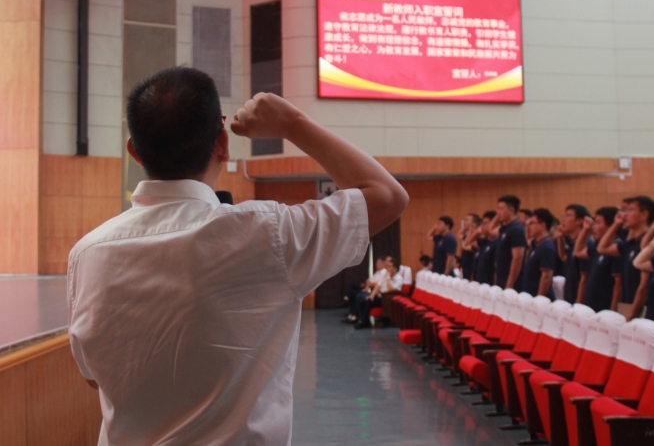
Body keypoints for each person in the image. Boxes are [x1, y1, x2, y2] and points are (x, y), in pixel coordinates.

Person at [67, 68, 408, 445]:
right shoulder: (267, 234)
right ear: (223, 145)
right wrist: (293, 124)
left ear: (133, 151)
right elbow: (388, 196)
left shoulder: (87, 254)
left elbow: (92, 376)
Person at [598, 195, 654, 319]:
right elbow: (602, 248)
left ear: (644, 215)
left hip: (643, 309)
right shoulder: (630, 244)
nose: (625, 215)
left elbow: (644, 286)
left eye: (630, 210)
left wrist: (631, 315)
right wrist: (616, 223)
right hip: (627, 304)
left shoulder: (649, 243)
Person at [575, 207, 622, 312]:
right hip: (591, 306)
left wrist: (613, 311)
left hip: (605, 308)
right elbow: (578, 251)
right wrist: (585, 229)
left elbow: (618, 284)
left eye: (597, 223)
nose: (593, 227)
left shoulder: (615, 249)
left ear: (610, 226)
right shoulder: (596, 248)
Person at [354, 257, 403, 329]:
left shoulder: (399, 279)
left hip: (388, 299)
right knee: (366, 300)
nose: (387, 269)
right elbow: (378, 286)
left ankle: (363, 321)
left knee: (369, 303)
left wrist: (388, 278)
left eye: (389, 267)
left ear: (395, 268)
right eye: (387, 267)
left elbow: (390, 289)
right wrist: (372, 296)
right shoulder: (384, 275)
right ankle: (364, 320)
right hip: (380, 297)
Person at [557, 204, 591, 304]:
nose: (563, 219)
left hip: (579, 299)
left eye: (567, 216)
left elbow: (584, 277)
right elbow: (564, 257)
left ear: (579, 221)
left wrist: (578, 304)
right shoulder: (572, 242)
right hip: (569, 295)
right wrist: (560, 237)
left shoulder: (585, 244)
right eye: (563, 216)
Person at [344, 255, 394, 324]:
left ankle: (359, 318)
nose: (377, 264)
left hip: (383, 296)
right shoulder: (380, 273)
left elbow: (379, 285)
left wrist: (370, 290)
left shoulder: (388, 274)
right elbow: (372, 282)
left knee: (360, 296)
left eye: (389, 266)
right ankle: (355, 314)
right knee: (354, 289)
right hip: (376, 293)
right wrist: (369, 289)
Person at [521, 209, 557, 300]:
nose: (529, 226)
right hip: (530, 294)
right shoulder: (537, 244)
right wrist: (527, 225)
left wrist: (539, 299)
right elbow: (528, 239)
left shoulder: (547, 247)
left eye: (532, 223)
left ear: (543, 225)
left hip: (539, 298)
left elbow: (546, 276)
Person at [493, 195, 527, 289]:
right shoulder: (505, 228)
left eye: (501, 209)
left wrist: (510, 284)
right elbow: (490, 230)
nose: (498, 212)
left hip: (513, 283)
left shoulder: (517, 229)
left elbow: (517, 258)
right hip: (502, 278)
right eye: (498, 209)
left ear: (511, 210)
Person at [469, 211, 498, 285]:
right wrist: (477, 232)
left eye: (485, 223)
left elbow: (496, 267)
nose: (482, 226)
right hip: (480, 283)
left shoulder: (497, 243)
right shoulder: (485, 242)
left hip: (490, 284)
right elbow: (468, 242)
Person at [458, 213, 481, 281]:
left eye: (467, 220)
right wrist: (465, 228)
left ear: (474, 223)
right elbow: (459, 234)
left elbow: (466, 246)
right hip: (465, 262)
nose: (465, 222)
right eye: (464, 220)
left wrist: (471, 233)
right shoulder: (467, 234)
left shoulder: (477, 236)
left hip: (471, 263)